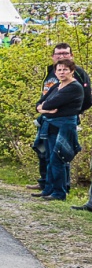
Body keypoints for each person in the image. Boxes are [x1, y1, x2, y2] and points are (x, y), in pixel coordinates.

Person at [30, 43, 91, 197]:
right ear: (53, 58)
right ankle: (48, 187)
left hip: (65, 123)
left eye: (65, 69)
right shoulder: (55, 82)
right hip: (49, 123)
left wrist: (73, 111)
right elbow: (41, 103)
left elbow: (86, 99)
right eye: (59, 69)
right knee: (48, 157)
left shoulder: (76, 83)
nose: (62, 71)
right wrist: (45, 109)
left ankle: (60, 190)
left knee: (60, 157)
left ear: (72, 69)